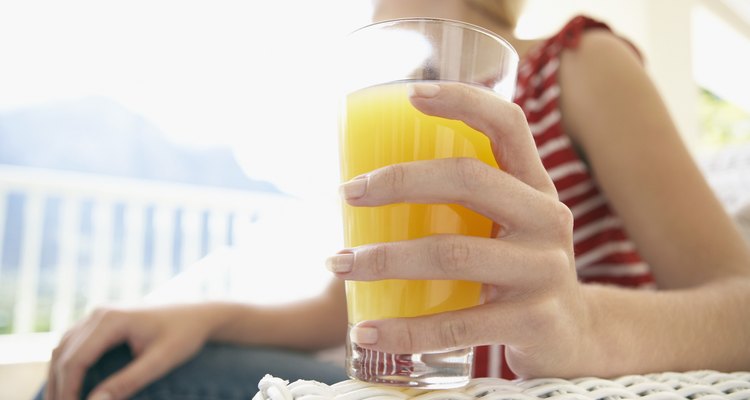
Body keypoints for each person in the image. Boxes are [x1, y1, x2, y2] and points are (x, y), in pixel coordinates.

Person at [39, 1, 750, 399]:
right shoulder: (406, 89)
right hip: (405, 385)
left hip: (533, 383)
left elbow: (741, 302)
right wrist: (200, 314)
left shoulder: (579, 61)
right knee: (117, 362)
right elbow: (345, 305)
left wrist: (586, 323)